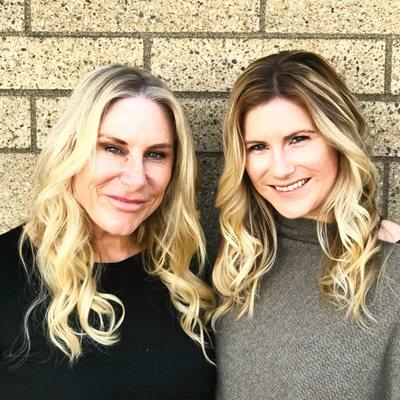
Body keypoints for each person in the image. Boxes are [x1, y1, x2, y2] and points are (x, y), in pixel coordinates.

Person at [0, 64, 216, 399]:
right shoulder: (7, 271)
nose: (135, 179)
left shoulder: (189, 272)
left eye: (156, 155)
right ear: (71, 151)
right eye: (113, 148)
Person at [213, 50, 400, 399]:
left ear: (337, 139)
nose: (280, 168)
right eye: (257, 147)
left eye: (298, 139)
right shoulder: (236, 266)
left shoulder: (392, 274)